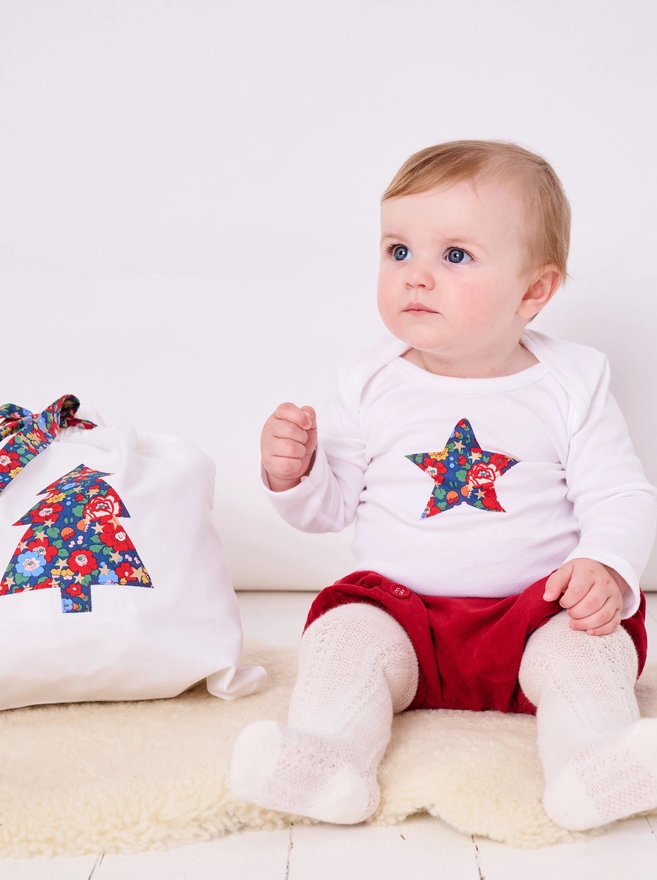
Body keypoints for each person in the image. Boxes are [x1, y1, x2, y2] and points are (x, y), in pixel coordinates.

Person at [230, 140, 657, 831]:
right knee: (342, 637)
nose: (416, 277)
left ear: (533, 291)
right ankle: (325, 761)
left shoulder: (570, 383)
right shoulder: (370, 379)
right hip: (402, 615)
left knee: (590, 649)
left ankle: (596, 763)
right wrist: (299, 473)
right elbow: (333, 505)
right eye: (398, 251)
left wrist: (604, 565)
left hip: (533, 617)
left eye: (454, 256)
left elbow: (621, 495)